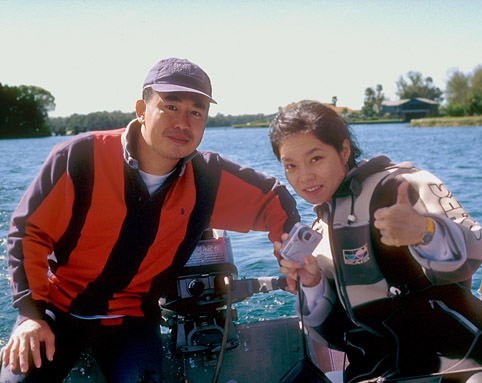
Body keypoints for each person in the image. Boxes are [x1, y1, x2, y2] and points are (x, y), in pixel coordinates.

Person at [0, 58, 299, 383]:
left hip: (132, 320)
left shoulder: (207, 179)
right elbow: (28, 233)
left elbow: (275, 200)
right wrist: (30, 315)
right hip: (56, 310)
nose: (183, 122)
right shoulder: (80, 158)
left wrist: (291, 255)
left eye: (196, 112)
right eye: (170, 106)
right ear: (142, 109)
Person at [270, 101, 482, 383]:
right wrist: (312, 283)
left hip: (461, 360)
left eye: (315, 158)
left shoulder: (404, 185)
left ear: (344, 151)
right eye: (291, 166)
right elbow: (333, 336)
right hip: (374, 372)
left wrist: (424, 231)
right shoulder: (319, 232)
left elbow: (473, 247)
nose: (304, 176)